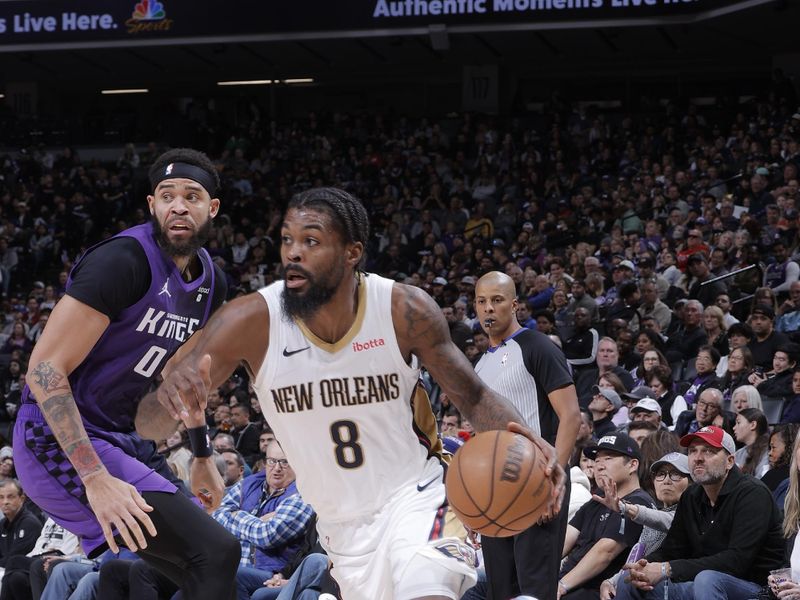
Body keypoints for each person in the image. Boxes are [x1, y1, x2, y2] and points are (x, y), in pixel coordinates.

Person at [151, 187, 566, 600]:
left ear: (352, 252)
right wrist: (169, 399)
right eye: (287, 240)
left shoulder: (403, 310)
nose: (293, 253)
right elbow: (151, 422)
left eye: (311, 241)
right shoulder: (251, 320)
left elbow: (473, 397)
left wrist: (531, 444)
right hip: (339, 526)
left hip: (416, 498)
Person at [13, 148, 240, 600]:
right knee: (215, 552)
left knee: (201, 569)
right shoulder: (123, 260)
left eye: (192, 196)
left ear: (211, 209)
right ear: (152, 205)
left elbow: (179, 387)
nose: (178, 205)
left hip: (122, 439)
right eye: (167, 195)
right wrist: (95, 478)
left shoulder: (212, 284)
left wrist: (199, 454)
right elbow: (42, 370)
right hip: (53, 439)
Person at [473, 271, 580, 600]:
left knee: (534, 590)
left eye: (497, 300)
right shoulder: (478, 365)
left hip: (537, 478)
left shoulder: (536, 347)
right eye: (481, 302)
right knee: (500, 590)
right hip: (495, 486)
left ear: (515, 304)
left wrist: (553, 479)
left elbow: (571, 416)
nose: (488, 308)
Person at [614, 426, 784, 600]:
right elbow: (672, 550)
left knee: (707, 579)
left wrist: (666, 568)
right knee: (629, 581)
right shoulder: (691, 495)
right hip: (699, 585)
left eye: (709, 451)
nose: (698, 458)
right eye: (693, 451)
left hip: (756, 588)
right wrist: (643, 566)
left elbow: (737, 561)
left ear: (730, 461)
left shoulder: (753, 494)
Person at [213, 441, 314, 600]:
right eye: (272, 461)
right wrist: (258, 520)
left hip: (271, 573)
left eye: (285, 462)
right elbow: (217, 517)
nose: (277, 468)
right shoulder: (249, 484)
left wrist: (235, 515)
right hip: (230, 564)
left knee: (229, 577)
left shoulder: (303, 494)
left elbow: (268, 536)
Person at [559, 433, 655, 599]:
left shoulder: (639, 504)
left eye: (608, 458)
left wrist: (561, 586)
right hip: (571, 584)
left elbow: (605, 552)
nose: (599, 466)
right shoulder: (596, 501)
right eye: (596, 460)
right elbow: (562, 542)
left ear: (632, 465)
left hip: (600, 590)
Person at [599, 453, 692, 600]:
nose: (666, 480)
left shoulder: (691, 515)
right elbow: (637, 556)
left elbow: (669, 520)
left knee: (630, 584)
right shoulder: (654, 517)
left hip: (673, 585)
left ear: (692, 483)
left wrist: (626, 508)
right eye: (661, 474)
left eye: (676, 474)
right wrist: (610, 582)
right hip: (642, 582)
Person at [733, 408, 771, 477]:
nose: (734, 428)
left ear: (753, 425)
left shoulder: (768, 452)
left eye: (738, 423)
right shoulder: (739, 453)